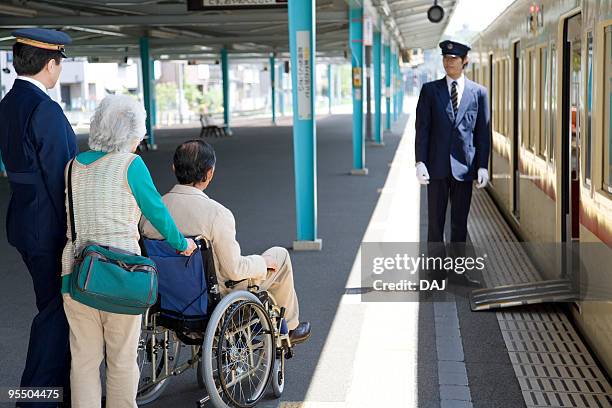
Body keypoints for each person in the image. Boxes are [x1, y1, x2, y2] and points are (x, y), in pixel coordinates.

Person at [60, 95, 196, 408]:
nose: (139, 142)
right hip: (121, 276)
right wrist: (183, 244)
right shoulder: (130, 165)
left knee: (83, 361)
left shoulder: (72, 166)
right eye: (139, 136)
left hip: (76, 274)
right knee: (121, 360)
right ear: (130, 134)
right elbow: (158, 213)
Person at [140, 139, 312, 344]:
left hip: (169, 300)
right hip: (214, 300)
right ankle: (290, 329)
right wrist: (262, 263)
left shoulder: (150, 213)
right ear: (210, 173)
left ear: (174, 168)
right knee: (280, 256)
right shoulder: (217, 214)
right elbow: (234, 270)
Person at [0, 28, 77, 406]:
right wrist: (76, 229)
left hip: (23, 223)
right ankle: (36, 397)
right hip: (48, 229)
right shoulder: (44, 109)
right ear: (51, 64)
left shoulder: (9, 103)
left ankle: (54, 395)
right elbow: (62, 175)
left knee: (52, 307)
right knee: (56, 312)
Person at [414, 40, 491, 286]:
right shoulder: (429, 90)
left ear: (464, 60)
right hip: (436, 168)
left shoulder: (479, 93)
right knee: (435, 223)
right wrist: (419, 162)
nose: (449, 62)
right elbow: (422, 129)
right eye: (446, 59)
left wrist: (482, 166)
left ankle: (458, 274)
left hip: (464, 170)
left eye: (454, 59)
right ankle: (436, 273)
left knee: (459, 224)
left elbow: (482, 133)